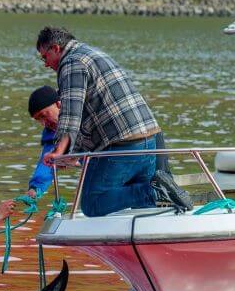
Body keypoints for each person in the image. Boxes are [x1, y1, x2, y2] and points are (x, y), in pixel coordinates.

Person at [36, 27, 190, 216]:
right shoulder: (94, 54)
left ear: (56, 48)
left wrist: (60, 151)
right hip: (150, 139)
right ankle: (157, 199)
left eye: (44, 57)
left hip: (124, 144)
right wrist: (72, 154)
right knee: (142, 211)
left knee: (92, 203)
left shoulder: (70, 63)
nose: (45, 64)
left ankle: (155, 193)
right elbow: (93, 117)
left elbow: (71, 113)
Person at [26, 84, 174, 200]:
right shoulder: (54, 131)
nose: (44, 123)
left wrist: (78, 161)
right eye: (39, 120)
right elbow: (48, 161)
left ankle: (167, 201)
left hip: (141, 133)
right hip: (115, 158)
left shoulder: (86, 105)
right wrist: (35, 189)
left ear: (58, 104)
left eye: (44, 116)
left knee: (159, 182)